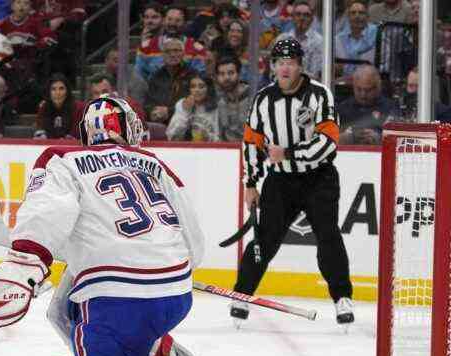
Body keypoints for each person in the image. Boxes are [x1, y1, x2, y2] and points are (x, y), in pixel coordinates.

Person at [0, 94, 213, 356]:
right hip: (176, 292)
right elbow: (195, 242)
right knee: (66, 306)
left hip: (117, 300)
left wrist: (24, 261)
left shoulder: (63, 158)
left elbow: (49, 213)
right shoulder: (154, 162)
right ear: (130, 128)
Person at [231, 38, 354, 327]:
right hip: (280, 181)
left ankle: (342, 298)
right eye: (280, 62)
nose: (285, 68)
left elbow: (328, 143)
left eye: (291, 62)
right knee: (264, 240)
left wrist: (288, 152)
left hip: (318, 178)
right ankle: (241, 295)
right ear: (273, 67)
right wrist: (250, 182)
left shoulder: (320, 95)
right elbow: (251, 142)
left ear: (300, 66)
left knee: (328, 237)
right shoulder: (263, 99)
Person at [338, 64, 397, 145]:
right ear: (353, 86)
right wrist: (348, 138)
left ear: (378, 87)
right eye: (359, 89)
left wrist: (379, 138)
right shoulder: (342, 108)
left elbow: (399, 140)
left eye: (368, 90)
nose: (363, 95)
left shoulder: (390, 108)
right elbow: (327, 140)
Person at [166, 73, 220, 142]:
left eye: (201, 87)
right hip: (184, 148)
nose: (196, 90)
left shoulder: (216, 106)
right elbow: (172, 136)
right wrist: (185, 111)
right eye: (193, 86)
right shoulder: (182, 104)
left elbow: (219, 138)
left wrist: (208, 137)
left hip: (210, 149)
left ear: (208, 89)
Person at [33, 73, 83, 139]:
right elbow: (39, 131)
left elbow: (76, 134)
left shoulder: (78, 108)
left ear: (67, 91)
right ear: (49, 92)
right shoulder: (44, 107)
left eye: (61, 89)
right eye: (53, 89)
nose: (57, 93)